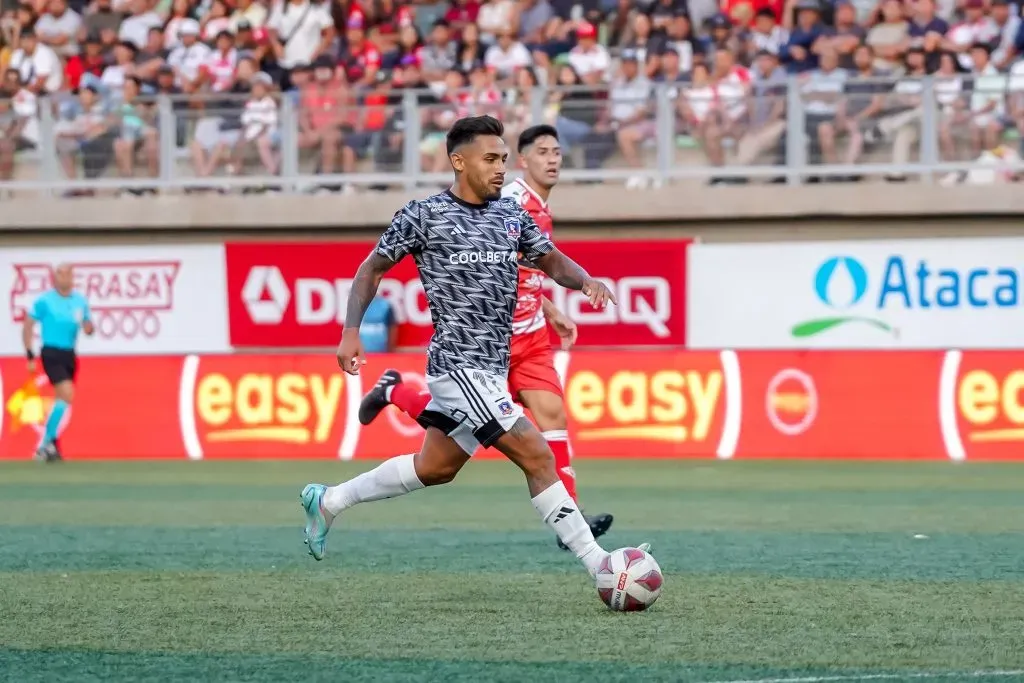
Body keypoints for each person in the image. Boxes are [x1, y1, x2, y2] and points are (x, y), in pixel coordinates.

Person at [300, 115, 651, 576]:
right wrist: (350, 331)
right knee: (537, 453)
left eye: (503, 159)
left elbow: (548, 259)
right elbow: (371, 269)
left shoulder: (509, 215)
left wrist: (584, 280)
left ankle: (328, 500)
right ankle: (600, 565)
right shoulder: (424, 215)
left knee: (436, 467)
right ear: (458, 161)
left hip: (491, 367)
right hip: (457, 367)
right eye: (490, 159)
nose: (500, 169)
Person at [357, 124, 615, 550]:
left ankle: (573, 520)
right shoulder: (504, 198)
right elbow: (479, 266)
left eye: (558, 152)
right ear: (526, 160)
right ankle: (398, 392)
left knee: (550, 416)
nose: (553, 159)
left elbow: (529, 266)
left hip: (528, 335)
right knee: (473, 448)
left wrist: (552, 309)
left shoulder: (530, 210)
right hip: (486, 340)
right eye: (543, 152)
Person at [21, 263, 94, 462]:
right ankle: (44, 444)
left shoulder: (79, 301)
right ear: (55, 278)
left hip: (69, 354)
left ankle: (51, 443)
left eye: (68, 274)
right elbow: (28, 325)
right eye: (60, 274)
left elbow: (88, 326)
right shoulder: (45, 301)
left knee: (64, 399)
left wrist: (88, 327)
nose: (64, 278)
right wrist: (29, 353)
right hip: (51, 352)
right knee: (66, 392)